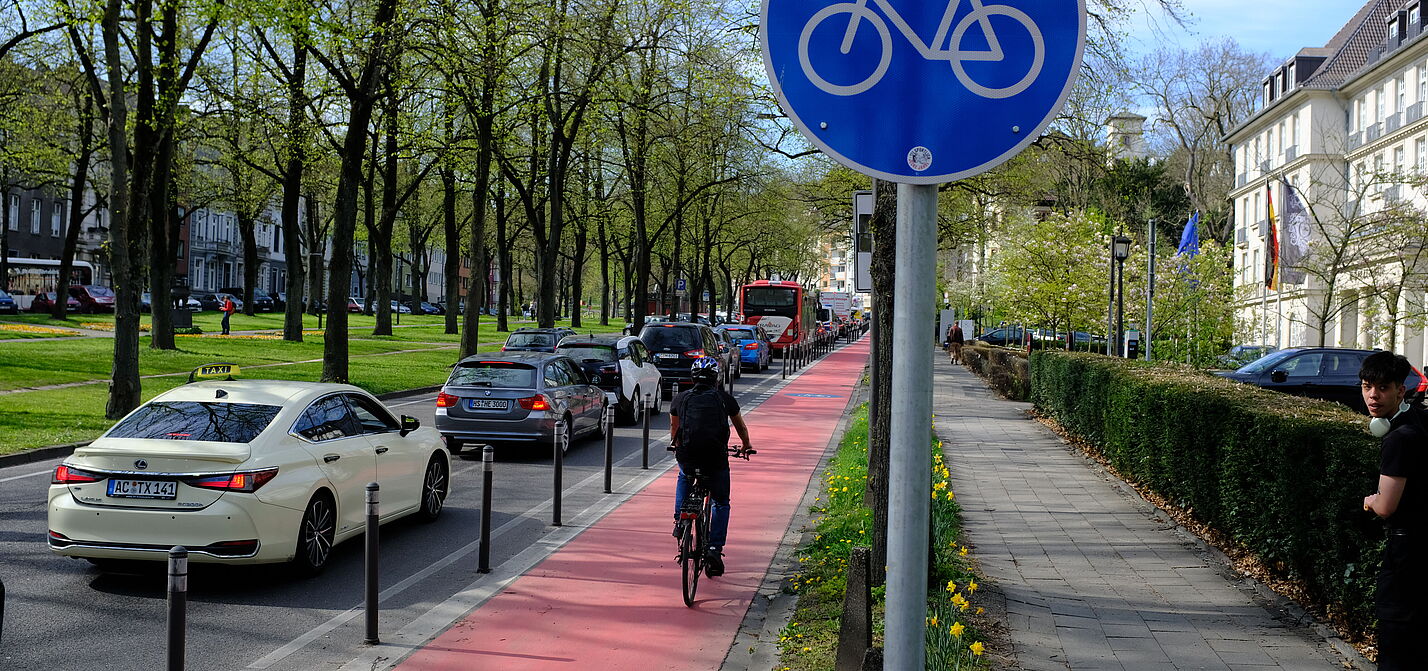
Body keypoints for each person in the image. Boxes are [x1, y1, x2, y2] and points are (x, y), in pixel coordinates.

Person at [1359, 351, 1425, 670]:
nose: (1373, 395)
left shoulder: (1399, 438)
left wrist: (1371, 499)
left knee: (1397, 647)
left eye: (1383, 388)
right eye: (1367, 386)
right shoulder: (1420, 421)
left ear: (1401, 390)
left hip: (1407, 556)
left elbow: (1386, 506)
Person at [669, 357, 752, 578]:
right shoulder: (725, 399)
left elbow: (674, 429)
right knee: (721, 502)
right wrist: (746, 446)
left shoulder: (680, 399)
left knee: (684, 476)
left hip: (688, 456)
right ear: (716, 378)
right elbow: (740, 426)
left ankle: (679, 520)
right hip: (715, 458)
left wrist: (677, 447)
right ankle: (715, 549)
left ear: (692, 377)